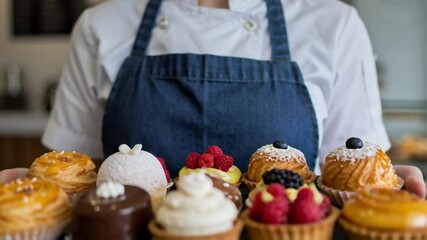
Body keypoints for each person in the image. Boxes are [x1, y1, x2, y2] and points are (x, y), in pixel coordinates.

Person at [1, 0, 425, 197]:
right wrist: (33, 192)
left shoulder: (335, 25)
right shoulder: (100, 26)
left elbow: (349, 179)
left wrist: (385, 185)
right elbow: (77, 180)